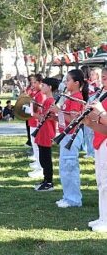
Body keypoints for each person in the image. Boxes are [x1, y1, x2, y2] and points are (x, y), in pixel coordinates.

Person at [50, 69, 89, 208]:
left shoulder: (77, 97)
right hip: (66, 135)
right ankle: (68, 196)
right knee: (65, 168)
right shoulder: (69, 96)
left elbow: (74, 120)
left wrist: (58, 111)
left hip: (72, 135)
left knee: (70, 167)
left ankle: (74, 199)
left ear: (77, 83)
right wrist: (54, 115)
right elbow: (64, 119)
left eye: (68, 80)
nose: (66, 82)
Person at [83, 67, 107, 232]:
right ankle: (103, 217)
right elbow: (102, 125)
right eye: (103, 77)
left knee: (106, 182)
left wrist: (100, 113)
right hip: (101, 141)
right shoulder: (103, 95)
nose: (104, 81)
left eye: (106, 78)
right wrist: (87, 121)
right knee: (101, 182)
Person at [34, 77, 60, 191]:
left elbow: (45, 117)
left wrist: (33, 114)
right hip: (43, 131)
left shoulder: (50, 101)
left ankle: (49, 181)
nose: (42, 87)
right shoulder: (46, 100)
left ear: (49, 87)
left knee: (45, 158)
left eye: (44, 85)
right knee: (43, 157)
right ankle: (46, 179)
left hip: (46, 131)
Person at [27, 73, 46, 178]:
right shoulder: (36, 93)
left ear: (40, 83)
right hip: (32, 121)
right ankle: (38, 164)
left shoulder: (40, 95)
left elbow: (39, 110)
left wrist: (30, 110)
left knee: (38, 146)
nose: (32, 84)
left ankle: (40, 168)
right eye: (32, 82)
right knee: (35, 145)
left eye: (35, 82)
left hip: (36, 122)